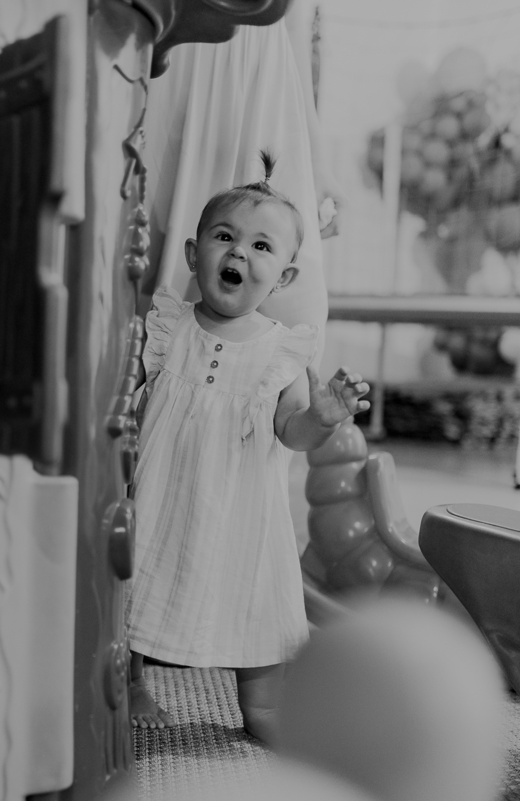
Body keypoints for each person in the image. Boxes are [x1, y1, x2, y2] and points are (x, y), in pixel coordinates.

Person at [126, 156, 370, 742]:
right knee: (136, 574)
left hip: (242, 508)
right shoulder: (168, 327)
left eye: (261, 246)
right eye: (224, 237)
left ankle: (263, 706)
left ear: (283, 277)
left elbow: (292, 431)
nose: (239, 252)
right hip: (162, 491)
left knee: (254, 598)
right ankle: (129, 678)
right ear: (194, 255)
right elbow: (127, 396)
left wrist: (323, 417)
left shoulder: (282, 351)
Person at [141, 11, 340, 360]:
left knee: (291, 288)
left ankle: (290, 395)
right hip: (168, 49)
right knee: (145, 249)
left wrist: (317, 160)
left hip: (261, 61)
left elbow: (294, 19)